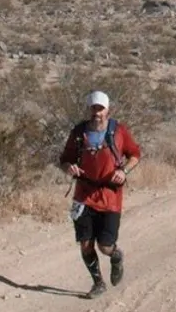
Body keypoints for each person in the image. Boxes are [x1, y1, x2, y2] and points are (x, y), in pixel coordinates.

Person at [58, 90, 142, 298]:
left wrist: (123, 171)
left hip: (110, 196)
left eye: (100, 108)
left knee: (104, 246)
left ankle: (115, 255)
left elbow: (135, 154)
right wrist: (69, 168)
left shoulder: (118, 131)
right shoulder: (79, 133)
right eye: (93, 108)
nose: (97, 112)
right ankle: (98, 283)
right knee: (85, 244)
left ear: (107, 110)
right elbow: (65, 160)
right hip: (84, 194)